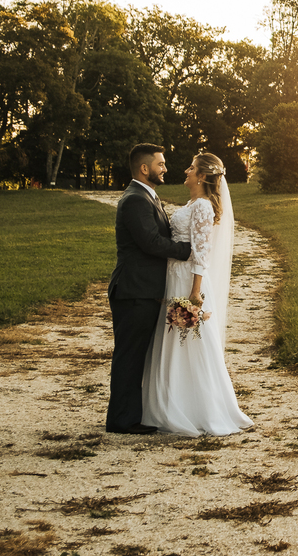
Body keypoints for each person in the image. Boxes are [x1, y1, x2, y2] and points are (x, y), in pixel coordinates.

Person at [141, 152, 253, 437]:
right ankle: (175, 403)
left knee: (188, 342)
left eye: (191, 168)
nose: (186, 171)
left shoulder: (202, 206)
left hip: (188, 285)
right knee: (177, 342)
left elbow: (202, 252)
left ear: (202, 176)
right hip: (175, 280)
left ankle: (198, 409)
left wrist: (194, 292)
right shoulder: (193, 203)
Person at [107, 143, 192, 435]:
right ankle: (121, 420)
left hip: (142, 290)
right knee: (129, 356)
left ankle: (129, 414)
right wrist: (190, 250)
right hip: (133, 290)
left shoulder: (146, 196)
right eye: (161, 163)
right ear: (145, 168)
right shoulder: (135, 200)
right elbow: (150, 242)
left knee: (136, 355)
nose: (165, 168)